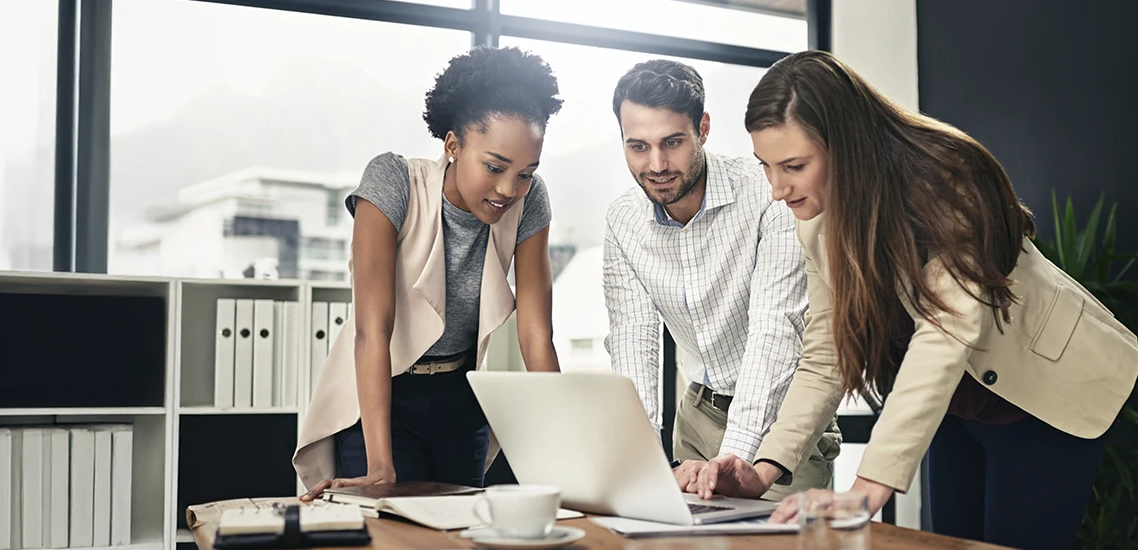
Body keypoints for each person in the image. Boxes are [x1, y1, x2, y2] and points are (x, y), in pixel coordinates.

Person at [695, 50, 1138, 550]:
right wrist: (764, 468)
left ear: (845, 145)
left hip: (1044, 392)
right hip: (958, 405)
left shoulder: (950, 177)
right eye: (766, 167)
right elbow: (824, 352)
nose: (777, 190)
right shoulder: (816, 216)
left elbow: (945, 332)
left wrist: (863, 492)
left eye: (794, 166)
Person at [294, 46, 564, 498]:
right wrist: (381, 464)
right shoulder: (393, 181)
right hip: (384, 398)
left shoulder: (530, 201)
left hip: (461, 400)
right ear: (453, 145)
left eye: (525, 173)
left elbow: (536, 337)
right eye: (495, 167)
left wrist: (568, 451)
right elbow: (372, 331)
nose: (508, 190)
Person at [601, 59, 838, 499]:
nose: (656, 164)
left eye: (672, 142)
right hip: (696, 415)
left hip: (781, 423)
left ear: (703, 128)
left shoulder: (769, 195)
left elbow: (776, 332)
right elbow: (634, 343)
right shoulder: (622, 221)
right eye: (637, 146)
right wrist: (647, 462)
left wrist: (735, 457)